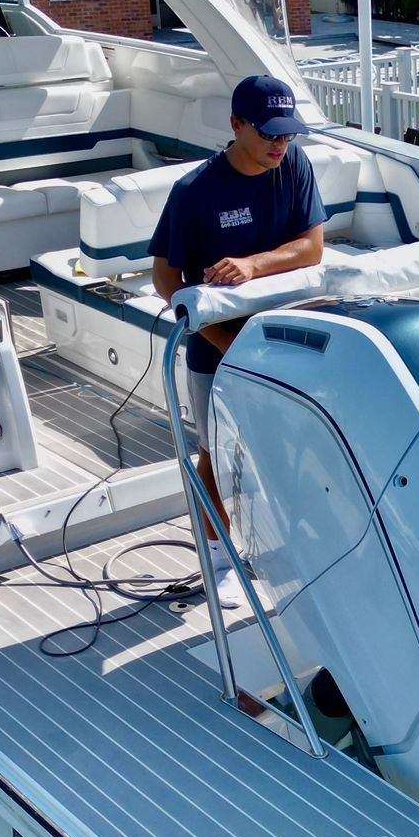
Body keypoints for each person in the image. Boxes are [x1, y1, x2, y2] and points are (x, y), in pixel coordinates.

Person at [149, 75, 325, 609]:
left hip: (281, 337)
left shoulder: (293, 165)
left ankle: (281, 544)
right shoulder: (194, 193)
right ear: (235, 126)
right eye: (269, 133)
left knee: (286, 445)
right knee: (215, 455)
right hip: (215, 345)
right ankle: (219, 562)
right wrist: (219, 335)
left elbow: (312, 247)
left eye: (288, 135)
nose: (280, 145)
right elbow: (165, 278)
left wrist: (252, 264)